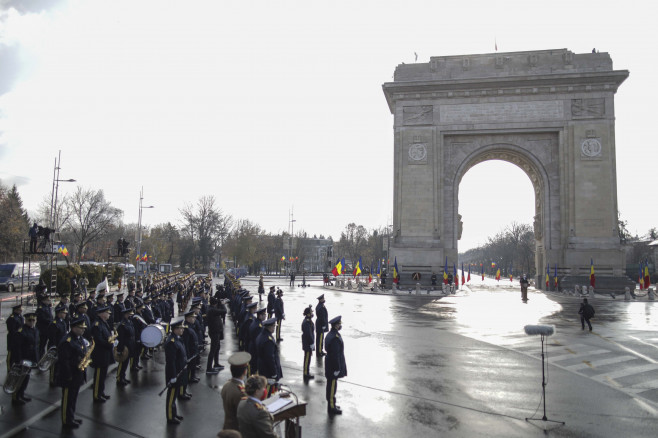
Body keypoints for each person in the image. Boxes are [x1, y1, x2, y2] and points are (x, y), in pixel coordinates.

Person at [57, 316, 91, 428]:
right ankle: (66, 421)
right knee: (68, 399)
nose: (83, 330)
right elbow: (64, 361)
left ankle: (71, 417)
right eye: (81, 328)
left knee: (73, 398)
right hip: (69, 375)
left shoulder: (79, 338)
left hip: (77, 374)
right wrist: (68, 376)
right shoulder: (67, 341)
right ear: (74, 328)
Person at [11, 312, 39, 405]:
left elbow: (35, 345)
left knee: (26, 378)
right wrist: (19, 361)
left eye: (33, 320)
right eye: (29, 320)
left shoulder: (34, 330)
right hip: (23, 358)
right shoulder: (21, 331)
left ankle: (21, 394)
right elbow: (17, 348)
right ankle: (16, 397)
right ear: (25, 320)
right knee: (19, 379)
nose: (31, 322)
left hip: (30, 358)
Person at [165, 317, 188, 425]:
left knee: (174, 395)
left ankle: (174, 413)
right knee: (171, 397)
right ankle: (170, 416)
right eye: (180, 328)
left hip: (179, 371)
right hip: (174, 373)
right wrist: (173, 376)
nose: (182, 330)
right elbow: (171, 362)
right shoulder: (171, 342)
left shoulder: (177, 339)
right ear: (175, 329)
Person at [221, 352, 250, 432]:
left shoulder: (226, 385)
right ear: (245, 371)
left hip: (227, 427)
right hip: (237, 431)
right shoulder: (241, 393)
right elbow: (245, 416)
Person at [90, 305, 113, 403]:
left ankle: (101, 392)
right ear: (102, 314)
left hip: (105, 353)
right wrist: (109, 344)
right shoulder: (97, 325)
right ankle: (96, 395)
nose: (109, 315)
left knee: (103, 375)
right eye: (107, 313)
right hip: (100, 354)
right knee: (99, 376)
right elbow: (98, 340)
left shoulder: (104, 323)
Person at [325, 315, 347, 415]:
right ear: (335, 325)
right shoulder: (334, 337)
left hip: (330, 365)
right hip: (333, 367)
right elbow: (335, 355)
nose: (340, 325)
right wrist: (337, 368)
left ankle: (332, 403)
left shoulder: (332, 335)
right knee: (332, 386)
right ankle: (331, 407)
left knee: (331, 385)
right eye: (339, 324)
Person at [256, 318, 282, 396]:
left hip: (262, 367)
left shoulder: (262, 335)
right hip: (268, 371)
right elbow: (270, 358)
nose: (274, 328)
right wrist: (274, 373)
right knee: (268, 391)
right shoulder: (268, 340)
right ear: (270, 327)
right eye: (273, 326)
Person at [116, 308, 135, 386]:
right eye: (129, 314)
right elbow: (121, 338)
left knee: (126, 363)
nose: (131, 316)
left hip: (129, 345)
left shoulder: (129, 322)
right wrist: (120, 349)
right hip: (125, 346)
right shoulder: (122, 325)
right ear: (125, 315)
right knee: (122, 363)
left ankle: (123, 377)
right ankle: (119, 378)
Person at [206, 297, 225, 374]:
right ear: (215, 303)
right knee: (213, 350)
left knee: (217, 348)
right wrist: (223, 304)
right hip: (214, 332)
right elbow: (224, 311)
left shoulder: (212, 309)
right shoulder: (212, 310)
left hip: (216, 331)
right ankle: (209, 368)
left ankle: (216, 363)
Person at [6, 303, 24, 373]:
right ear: (15, 310)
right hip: (12, 339)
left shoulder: (20, 317)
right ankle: (9, 369)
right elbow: (12, 330)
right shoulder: (12, 318)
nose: (21, 311)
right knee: (10, 356)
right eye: (19, 310)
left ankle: (17, 368)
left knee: (17, 355)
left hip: (19, 340)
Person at [36, 294, 54, 359]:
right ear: (44, 300)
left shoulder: (47, 307)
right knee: (42, 345)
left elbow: (50, 316)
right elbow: (42, 318)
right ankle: (39, 358)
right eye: (48, 300)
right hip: (42, 329)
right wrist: (50, 321)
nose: (49, 301)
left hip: (48, 329)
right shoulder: (41, 308)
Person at [301, 305, 315, 380]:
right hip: (307, 343)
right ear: (307, 314)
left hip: (308, 342)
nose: (312, 314)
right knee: (307, 358)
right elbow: (308, 334)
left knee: (308, 358)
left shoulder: (308, 321)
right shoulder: (307, 322)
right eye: (311, 312)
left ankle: (307, 372)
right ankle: (306, 373)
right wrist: (311, 343)